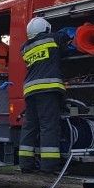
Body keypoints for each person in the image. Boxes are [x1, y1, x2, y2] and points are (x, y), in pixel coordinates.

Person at [19, 17, 74, 174]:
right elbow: (67, 35)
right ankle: (49, 166)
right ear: (46, 29)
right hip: (47, 89)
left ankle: (25, 164)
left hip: (30, 90)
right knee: (48, 126)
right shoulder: (52, 38)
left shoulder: (25, 47)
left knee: (30, 126)